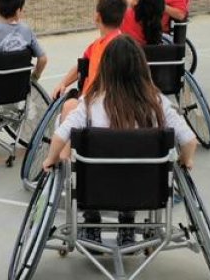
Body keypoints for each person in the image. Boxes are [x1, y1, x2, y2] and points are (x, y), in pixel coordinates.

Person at [42, 35, 198, 245]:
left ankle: (92, 223)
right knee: (131, 167)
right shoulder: (158, 103)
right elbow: (189, 140)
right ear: (142, 68)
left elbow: (60, 136)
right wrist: (185, 160)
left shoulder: (90, 104)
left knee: (90, 162)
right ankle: (127, 222)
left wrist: (50, 160)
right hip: (145, 190)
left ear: (106, 69)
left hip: (95, 190)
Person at [49, 0, 127, 125]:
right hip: (104, 104)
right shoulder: (105, 44)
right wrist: (64, 83)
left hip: (96, 105)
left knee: (68, 111)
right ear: (122, 18)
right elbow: (82, 65)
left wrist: (63, 84)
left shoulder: (110, 45)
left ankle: (61, 145)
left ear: (97, 16)